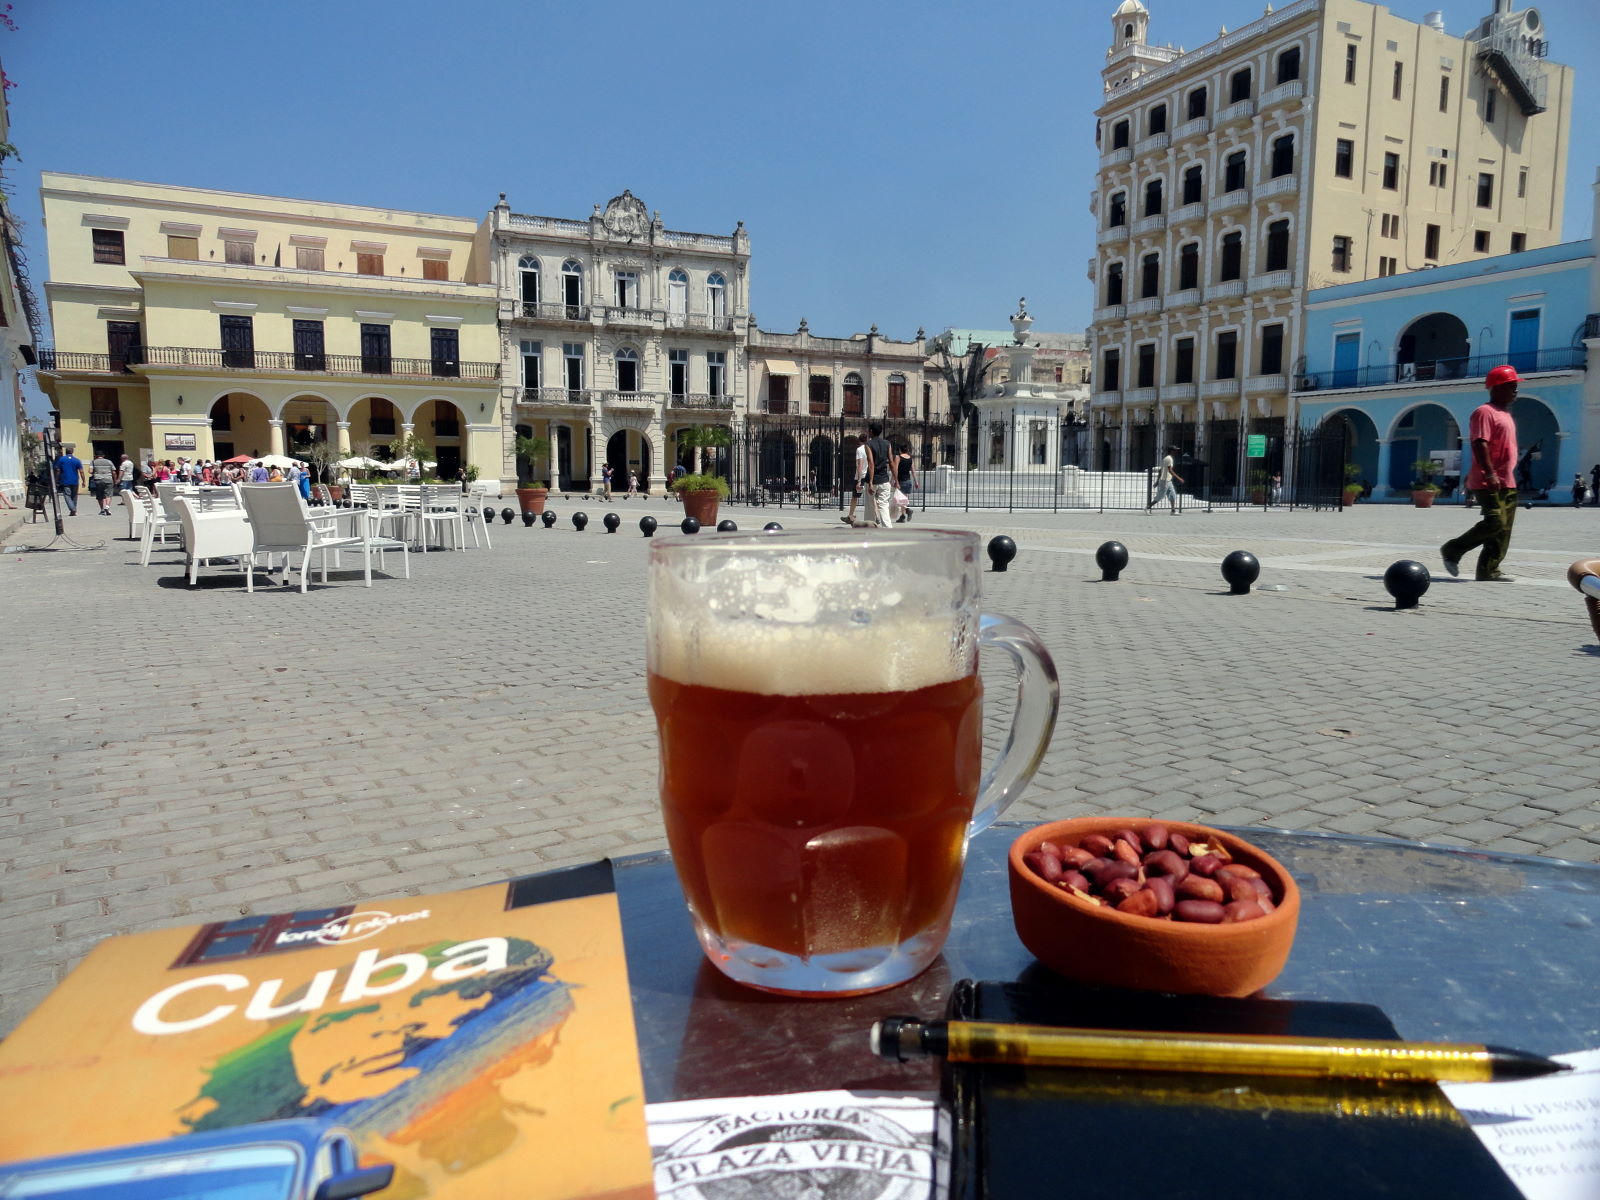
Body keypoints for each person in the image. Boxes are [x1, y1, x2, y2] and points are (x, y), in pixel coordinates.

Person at [1441, 365, 1521, 582]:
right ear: (1496, 388)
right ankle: (1452, 549)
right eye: (1511, 386)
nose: (1515, 390)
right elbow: (1479, 443)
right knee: (1495, 521)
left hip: (1507, 480)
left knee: (1503, 529)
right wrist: (1489, 473)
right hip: (1488, 480)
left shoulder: (1505, 414)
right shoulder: (1484, 412)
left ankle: (1489, 570)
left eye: (1516, 386)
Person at [864, 422, 894, 528]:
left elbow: (871, 463)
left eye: (869, 430)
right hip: (884, 480)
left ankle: (870, 528)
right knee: (884, 505)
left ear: (871, 431)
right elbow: (891, 462)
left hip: (872, 480)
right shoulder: (887, 443)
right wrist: (895, 479)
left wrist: (871, 482)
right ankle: (888, 528)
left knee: (870, 507)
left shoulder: (868, 444)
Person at [840, 431, 870, 526]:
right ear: (867, 440)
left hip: (860, 476)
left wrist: (859, 480)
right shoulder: (869, 449)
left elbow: (859, 465)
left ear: (859, 440)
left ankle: (850, 516)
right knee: (872, 497)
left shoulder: (859, 450)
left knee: (854, 497)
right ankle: (876, 517)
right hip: (869, 475)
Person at [1145, 445, 1184, 515]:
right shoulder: (1169, 458)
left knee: (1172, 495)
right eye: (1175, 450)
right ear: (1171, 451)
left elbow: (1160, 470)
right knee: (1160, 496)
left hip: (1168, 480)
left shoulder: (1166, 458)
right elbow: (1170, 470)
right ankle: (1147, 507)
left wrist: (1157, 481)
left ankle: (1173, 511)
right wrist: (1179, 478)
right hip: (1165, 480)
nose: (1176, 452)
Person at [53, 443, 84, 516]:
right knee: (74, 496)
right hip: (75, 480)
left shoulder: (61, 460)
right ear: (72, 452)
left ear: (65, 452)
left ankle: (72, 509)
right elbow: (81, 471)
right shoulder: (77, 460)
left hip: (65, 480)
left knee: (67, 495)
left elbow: (58, 470)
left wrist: (56, 479)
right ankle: (73, 510)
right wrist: (83, 481)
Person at [894, 444, 918, 523]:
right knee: (904, 499)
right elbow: (913, 471)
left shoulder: (898, 457)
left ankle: (907, 510)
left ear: (900, 450)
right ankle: (903, 516)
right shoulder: (910, 458)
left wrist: (895, 481)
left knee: (900, 499)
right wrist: (916, 482)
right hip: (908, 481)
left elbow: (895, 470)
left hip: (901, 481)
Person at [87, 450, 116, 515]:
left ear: (96, 456)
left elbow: (90, 471)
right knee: (108, 494)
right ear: (103, 455)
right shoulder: (109, 461)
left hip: (98, 480)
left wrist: (94, 471)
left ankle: (102, 509)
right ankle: (107, 507)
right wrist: (115, 480)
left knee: (100, 495)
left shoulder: (93, 462)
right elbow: (114, 472)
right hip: (108, 479)